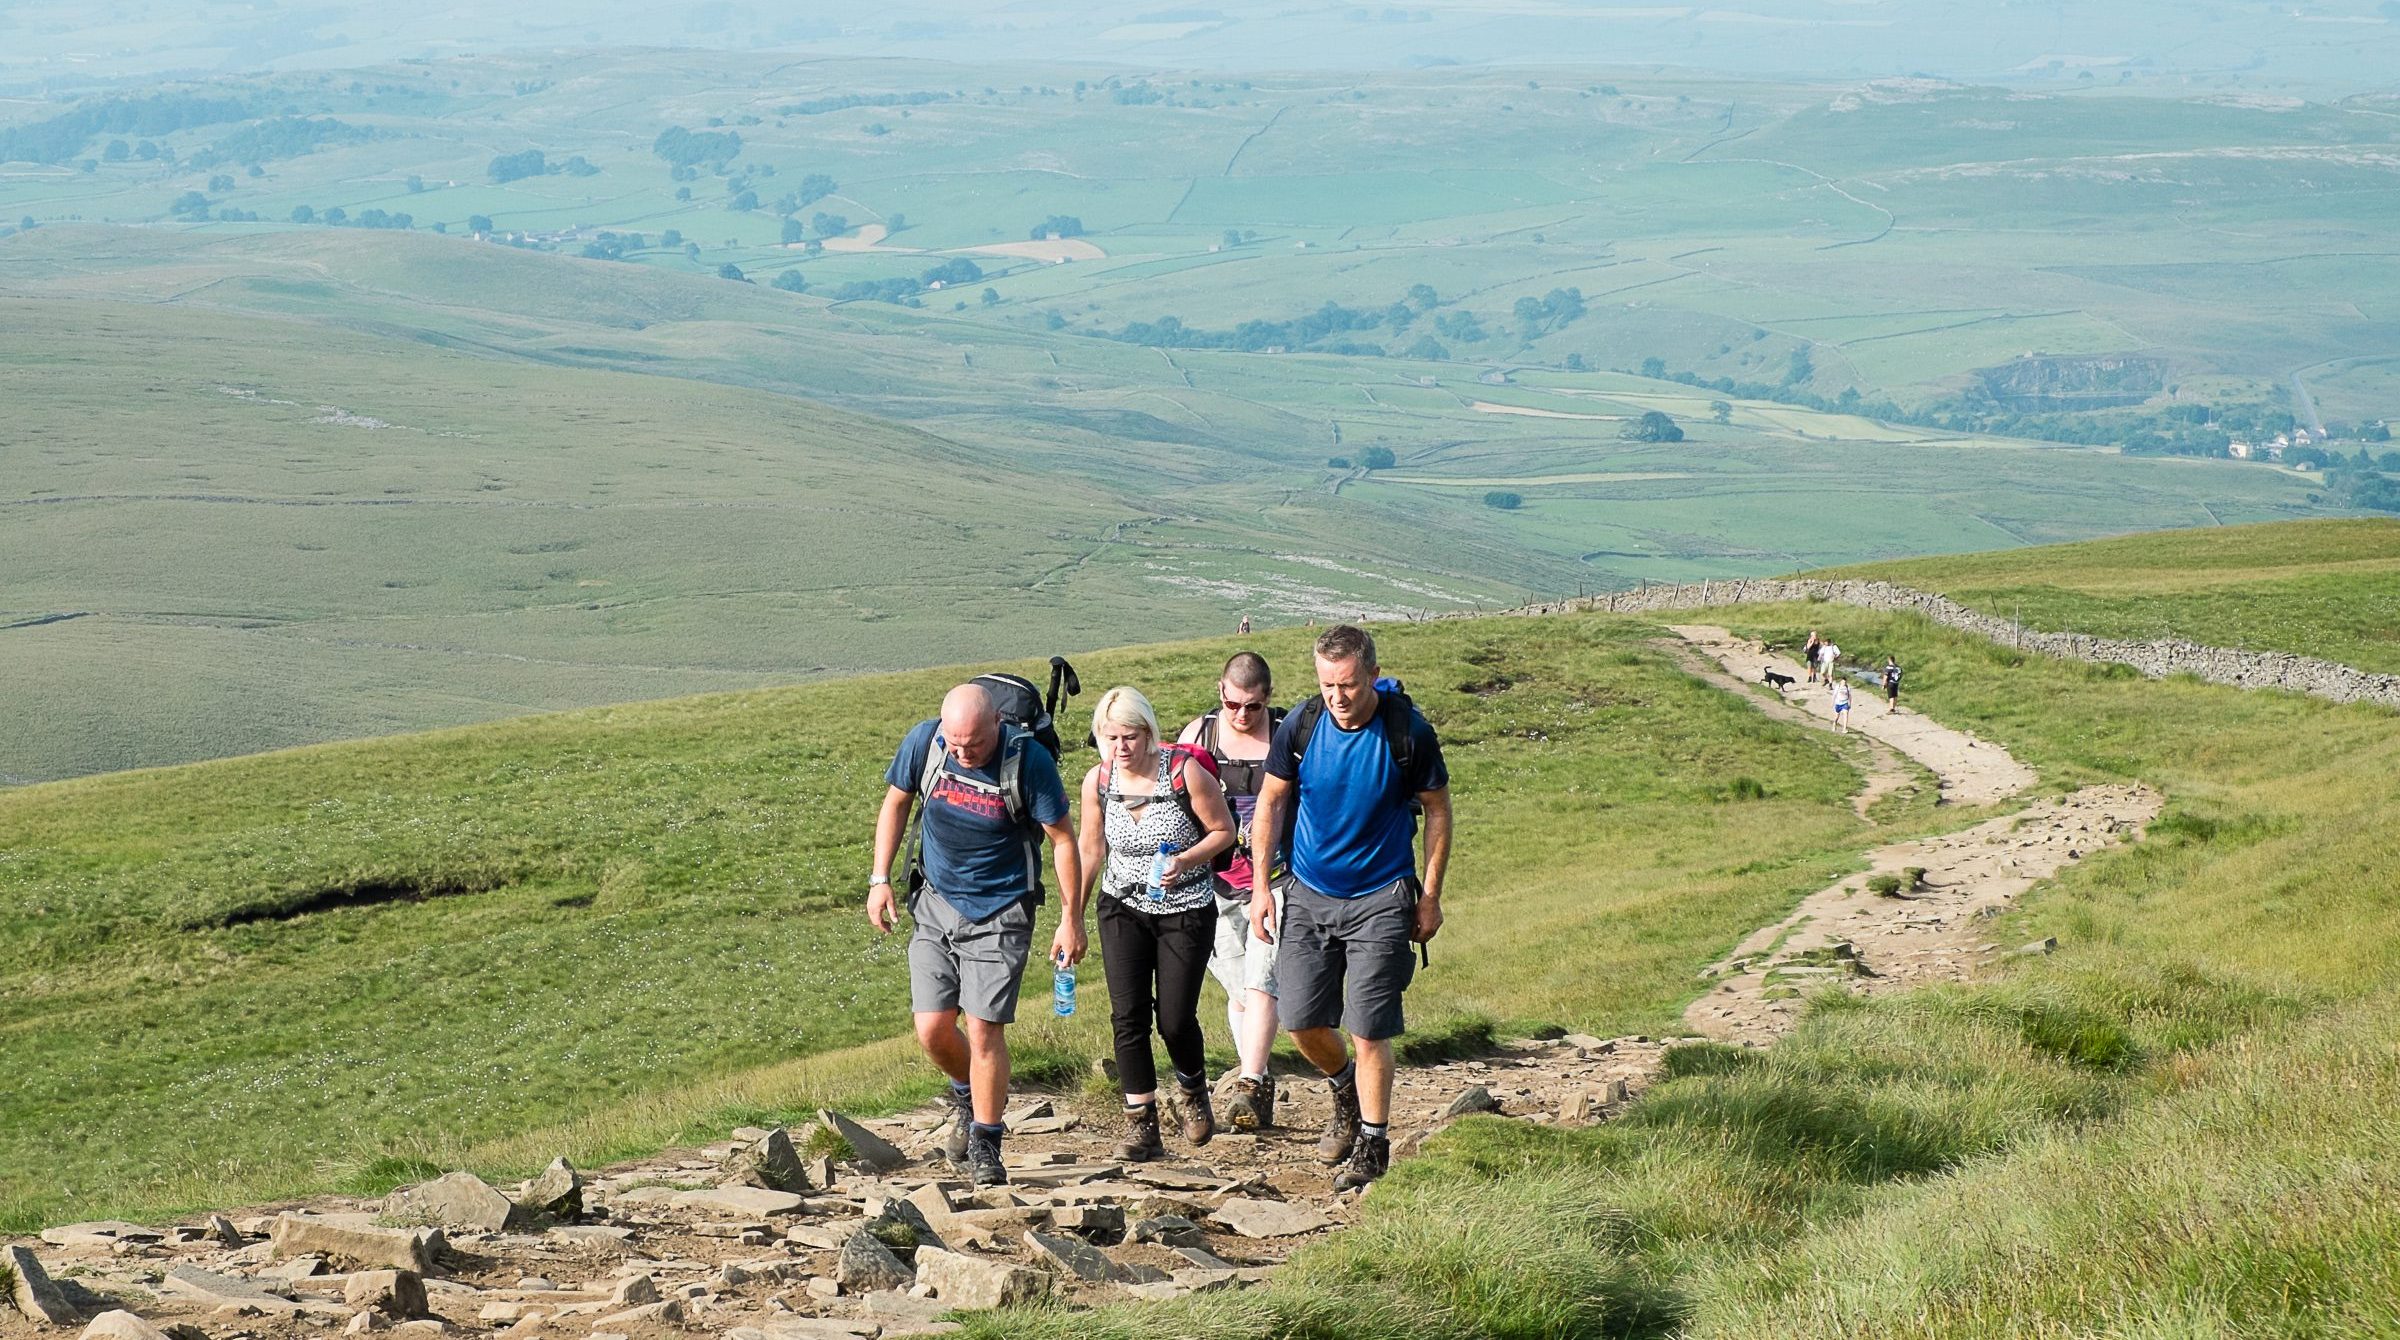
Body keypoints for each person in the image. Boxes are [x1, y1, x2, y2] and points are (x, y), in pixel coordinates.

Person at [1252, 625, 1451, 1191]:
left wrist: (1431, 894)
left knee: (1367, 1029)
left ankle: (1373, 1140)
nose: (1337, 697)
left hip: (1382, 897)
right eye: (1326, 684)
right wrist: (1264, 888)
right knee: (1300, 1021)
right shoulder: (1302, 725)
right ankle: (1343, 1086)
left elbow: (1438, 809)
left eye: (1348, 685)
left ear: (1371, 675)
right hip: (1309, 892)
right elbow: (1270, 801)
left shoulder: (1405, 730)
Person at [868, 683, 1081, 1188]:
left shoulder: (1028, 763)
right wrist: (880, 880)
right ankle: (967, 1093)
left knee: (985, 1030)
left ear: (996, 727)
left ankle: (987, 1144)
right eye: (955, 743)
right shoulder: (926, 742)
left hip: (1002, 908)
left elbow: (1063, 838)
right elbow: (896, 803)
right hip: (936, 902)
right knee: (932, 1028)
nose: (963, 754)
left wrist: (1071, 915)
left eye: (973, 745)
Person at [1079, 686, 1238, 1160]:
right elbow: (1091, 848)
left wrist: (1186, 860)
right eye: (1110, 738)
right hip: (1121, 905)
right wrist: (1073, 917)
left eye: (1130, 736)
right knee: (1127, 1015)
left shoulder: (1182, 772)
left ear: (1149, 733)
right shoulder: (1099, 781)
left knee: (1173, 1019)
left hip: (1185, 910)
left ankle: (1192, 1090)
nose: (1121, 747)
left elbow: (1224, 831)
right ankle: (1142, 1124)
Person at [1179, 652, 1286, 1129]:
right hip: (1213, 881)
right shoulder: (1197, 736)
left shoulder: (1288, 735)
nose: (1241, 715)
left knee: (1264, 981)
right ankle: (1256, 1087)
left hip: (1279, 876)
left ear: (1268, 698)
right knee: (1240, 989)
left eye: (1252, 707)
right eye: (1233, 704)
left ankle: (1252, 1081)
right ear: (1220, 691)